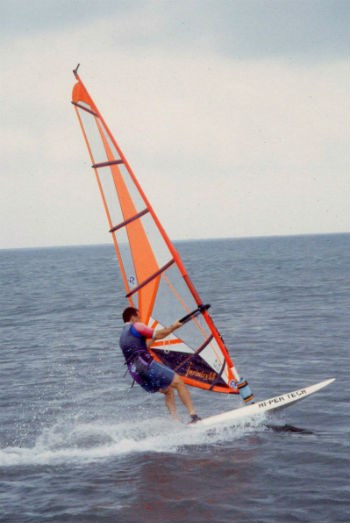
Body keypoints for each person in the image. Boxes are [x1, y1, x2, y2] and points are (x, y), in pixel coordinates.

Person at [119, 306, 201, 423]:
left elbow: (143, 346)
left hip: (136, 373)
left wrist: (154, 337)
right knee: (178, 382)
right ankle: (194, 416)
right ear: (133, 318)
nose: (141, 320)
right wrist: (174, 327)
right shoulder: (136, 326)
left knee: (168, 390)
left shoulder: (122, 336)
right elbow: (159, 335)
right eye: (139, 317)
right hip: (146, 365)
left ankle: (175, 421)